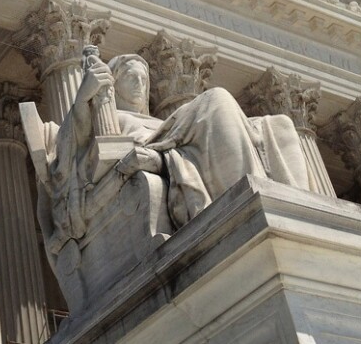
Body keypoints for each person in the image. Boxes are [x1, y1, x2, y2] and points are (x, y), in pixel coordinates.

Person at [52, 53, 309, 233]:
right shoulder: (110, 117)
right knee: (217, 99)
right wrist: (85, 97)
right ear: (114, 85)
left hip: (178, 146)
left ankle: (301, 211)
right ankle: (252, 201)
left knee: (281, 124)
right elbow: (74, 152)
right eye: (131, 78)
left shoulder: (156, 120)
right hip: (160, 149)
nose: (140, 85)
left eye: (144, 79)